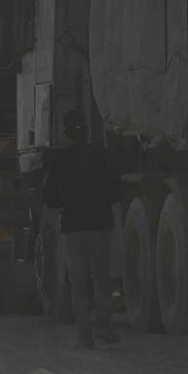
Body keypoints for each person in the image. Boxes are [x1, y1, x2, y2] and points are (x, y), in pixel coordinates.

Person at [43, 110, 120, 349]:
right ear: (87, 131)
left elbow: (51, 199)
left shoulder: (59, 160)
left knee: (78, 283)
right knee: (101, 277)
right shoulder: (103, 156)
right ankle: (104, 323)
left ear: (66, 133)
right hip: (100, 226)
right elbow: (117, 192)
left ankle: (84, 337)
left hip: (73, 228)